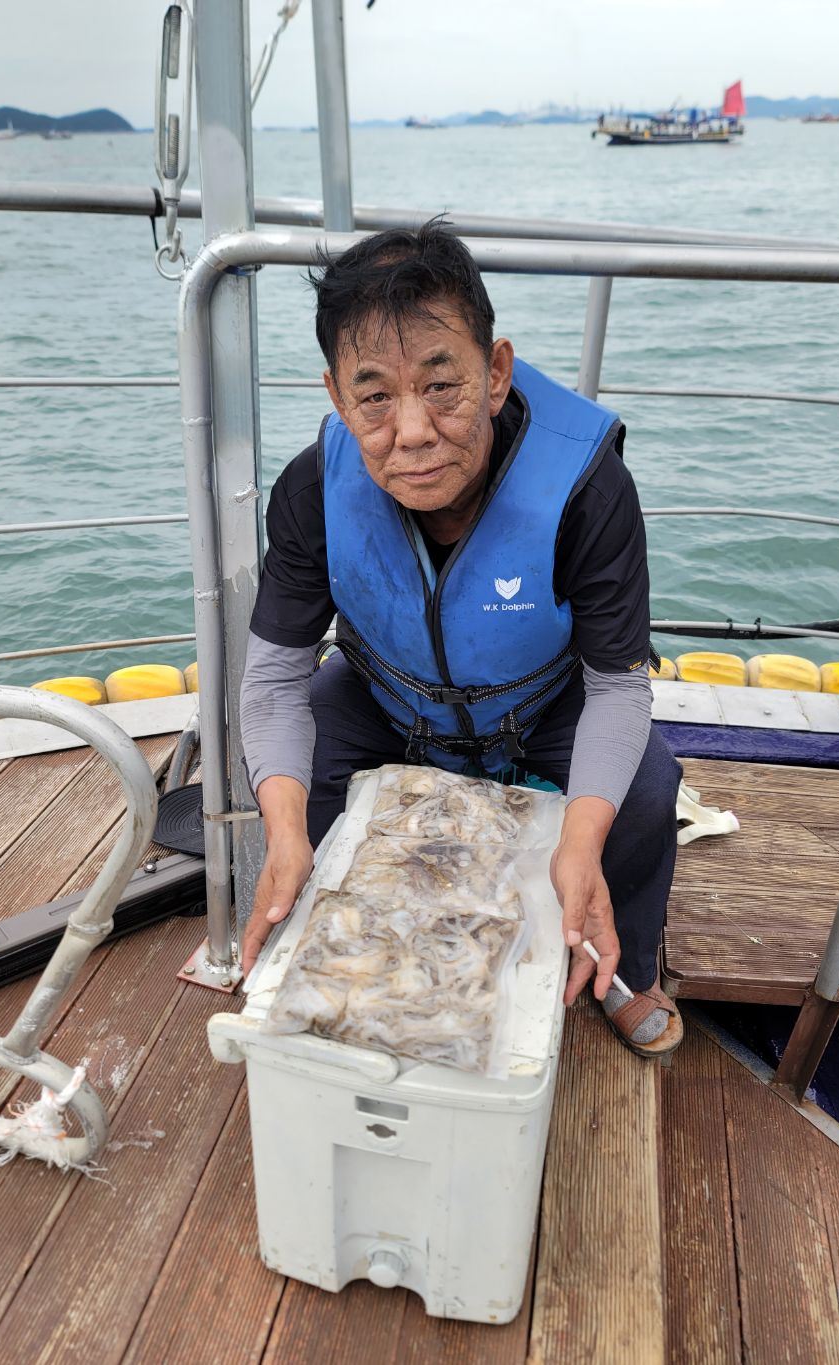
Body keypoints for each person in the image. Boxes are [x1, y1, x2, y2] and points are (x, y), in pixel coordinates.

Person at [239, 220, 683, 1056]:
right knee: (291, 765)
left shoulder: (587, 489)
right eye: (375, 397)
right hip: (386, 696)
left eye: (442, 385)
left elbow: (619, 686)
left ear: (496, 372)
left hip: (540, 700)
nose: (411, 431)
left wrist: (581, 840)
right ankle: (342, 937)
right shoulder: (312, 489)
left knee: (647, 788)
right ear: (337, 397)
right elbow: (271, 683)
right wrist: (286, 832)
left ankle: (625, 964)